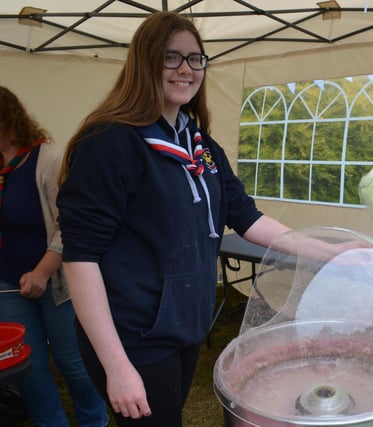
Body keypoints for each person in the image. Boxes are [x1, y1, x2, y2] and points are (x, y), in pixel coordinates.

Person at [55, 12, 294, 427]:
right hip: (134, 338)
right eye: (171, 57)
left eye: (195, 58)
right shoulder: (110, 143)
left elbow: (247, 218)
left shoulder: (199, 143)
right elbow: (80, 258)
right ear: (144, 63)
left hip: (186, 325)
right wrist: (117, 366)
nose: (186, 68)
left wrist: (332, 249)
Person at [0, 86, 109, 426]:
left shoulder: (47, 159)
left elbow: (69, 226)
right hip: (7, 282)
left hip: (57, 281)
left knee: (72, 362)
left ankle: (95, 421)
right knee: (26, 364)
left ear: (8, 120)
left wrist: (43, 271)